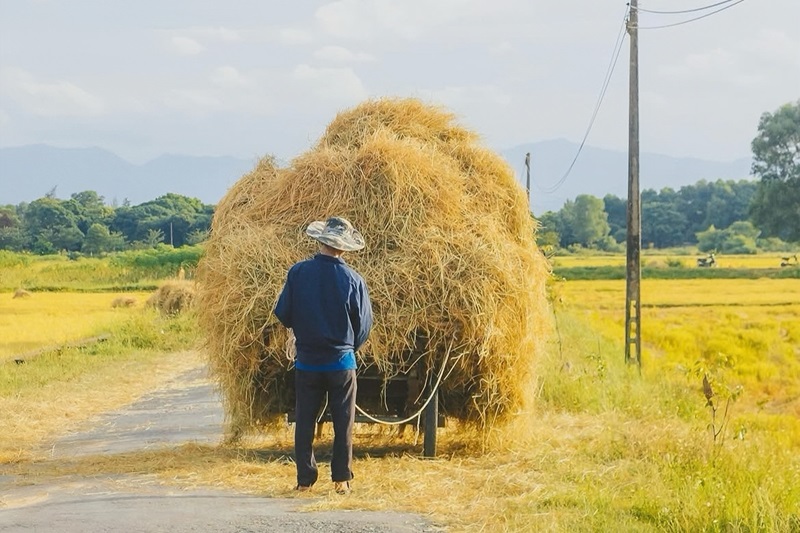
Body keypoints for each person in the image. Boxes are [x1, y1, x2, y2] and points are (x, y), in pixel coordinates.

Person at [274, 216, 373, 495]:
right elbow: (363, 325)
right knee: (343, 422)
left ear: (320, 241)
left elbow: (284, 313)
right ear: (344, 248)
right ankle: (341, 480)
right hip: (341, 362)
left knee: (304, 421)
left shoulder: (298, 272)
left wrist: (304, 332)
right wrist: (347, 345)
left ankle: (304, 481)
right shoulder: (353, 279)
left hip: (307, 361)